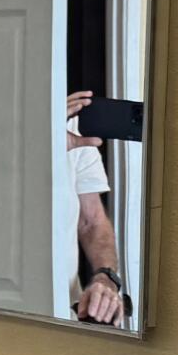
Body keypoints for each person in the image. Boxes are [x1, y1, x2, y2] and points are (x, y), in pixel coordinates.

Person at [65, 90, 129, 326]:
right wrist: (40, 149)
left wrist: (106, 276)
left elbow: (92, 222)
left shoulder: (75, 129)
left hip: (63, 311)